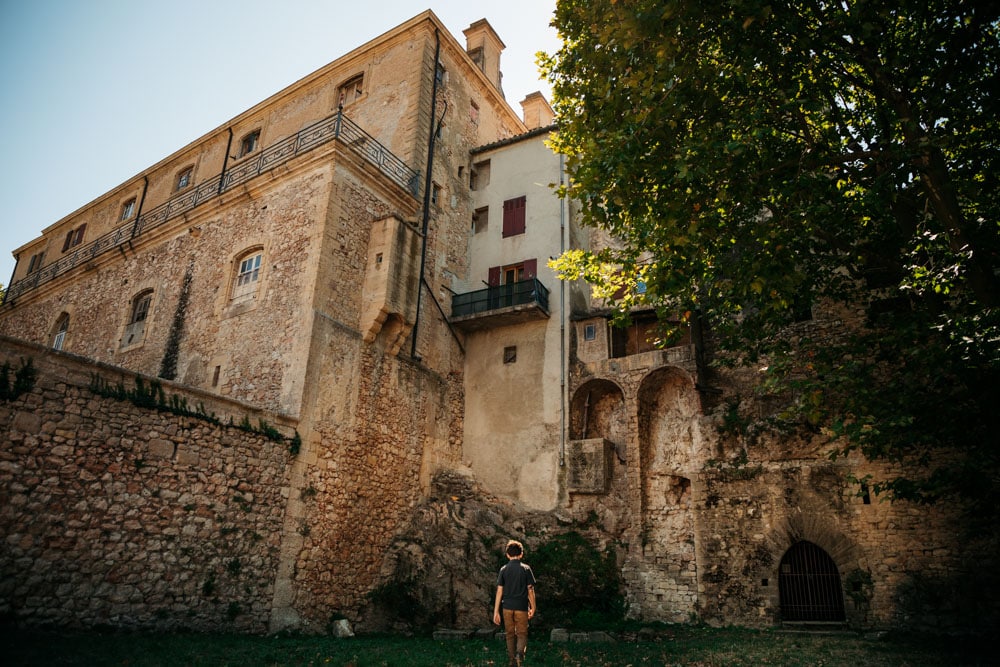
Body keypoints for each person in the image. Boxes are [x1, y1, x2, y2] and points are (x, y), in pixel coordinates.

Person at [492, 539, 537, 667]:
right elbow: (530, 589)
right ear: (521, 554)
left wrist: (496, 611)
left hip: (507, 607)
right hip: (521, 607)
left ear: (507, 555)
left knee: (510, 634)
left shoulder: (504, 569)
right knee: (522, 633)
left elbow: (499, 591)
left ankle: (512, 661)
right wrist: (533, 606)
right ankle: (519, 655)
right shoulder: (526, 569)